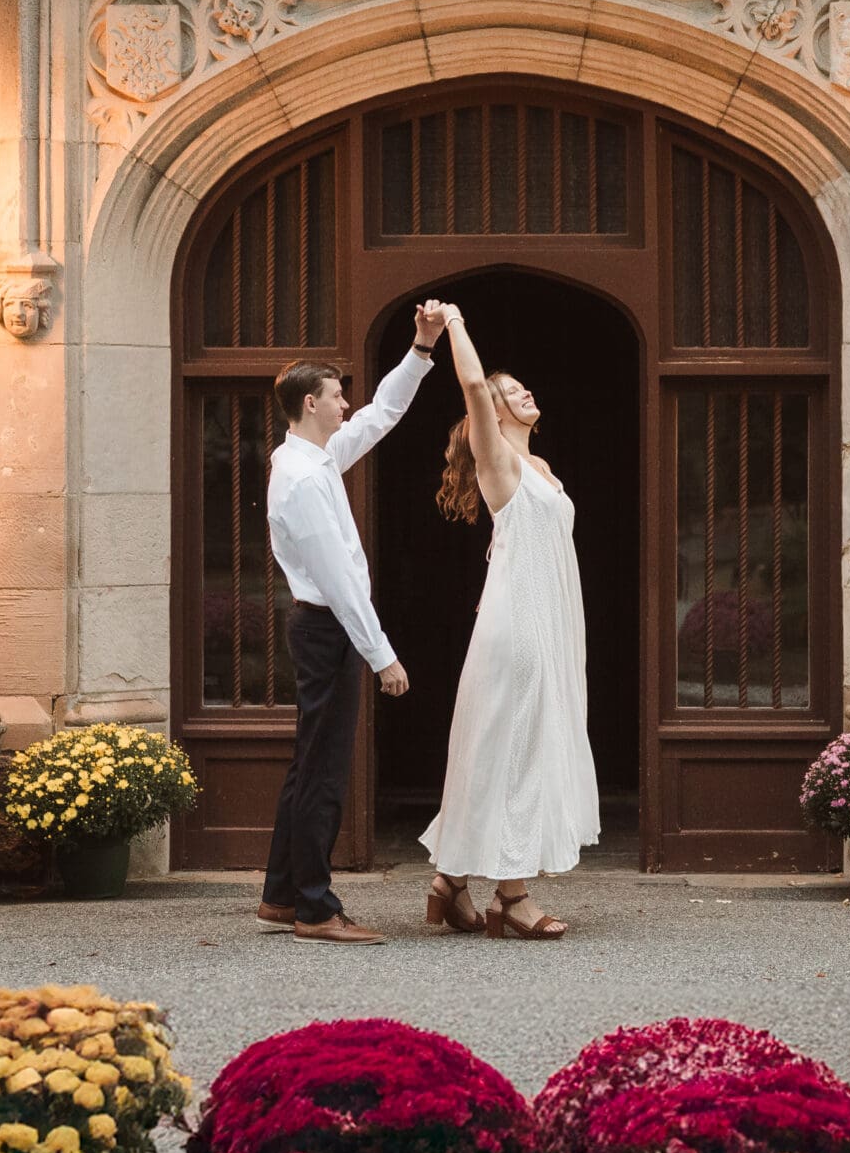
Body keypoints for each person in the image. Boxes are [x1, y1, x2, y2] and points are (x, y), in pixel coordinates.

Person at [255, 301, 447, 945]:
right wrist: (382, 655)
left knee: (310, 764)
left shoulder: (316, 457)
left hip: (324, 626)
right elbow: (338, 580)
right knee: (325, 772)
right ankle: (315, 907)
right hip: (326, 628)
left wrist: (420, 351)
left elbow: (381, 415)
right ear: (310, 403)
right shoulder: (303, 479)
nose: (345, 404)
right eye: (336, 396)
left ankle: (282, 896)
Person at [417, 302, 600, 940]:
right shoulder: (499, 461)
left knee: (502, 748)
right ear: (491, 414)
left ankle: (451, 882)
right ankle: (513, 897)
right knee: (517, 750)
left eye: (522, 385)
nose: (523, 391)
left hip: (543, 620)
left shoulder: (543, 469)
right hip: (520, 627)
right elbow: (470, 383)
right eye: (509, 390)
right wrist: (458, 323)